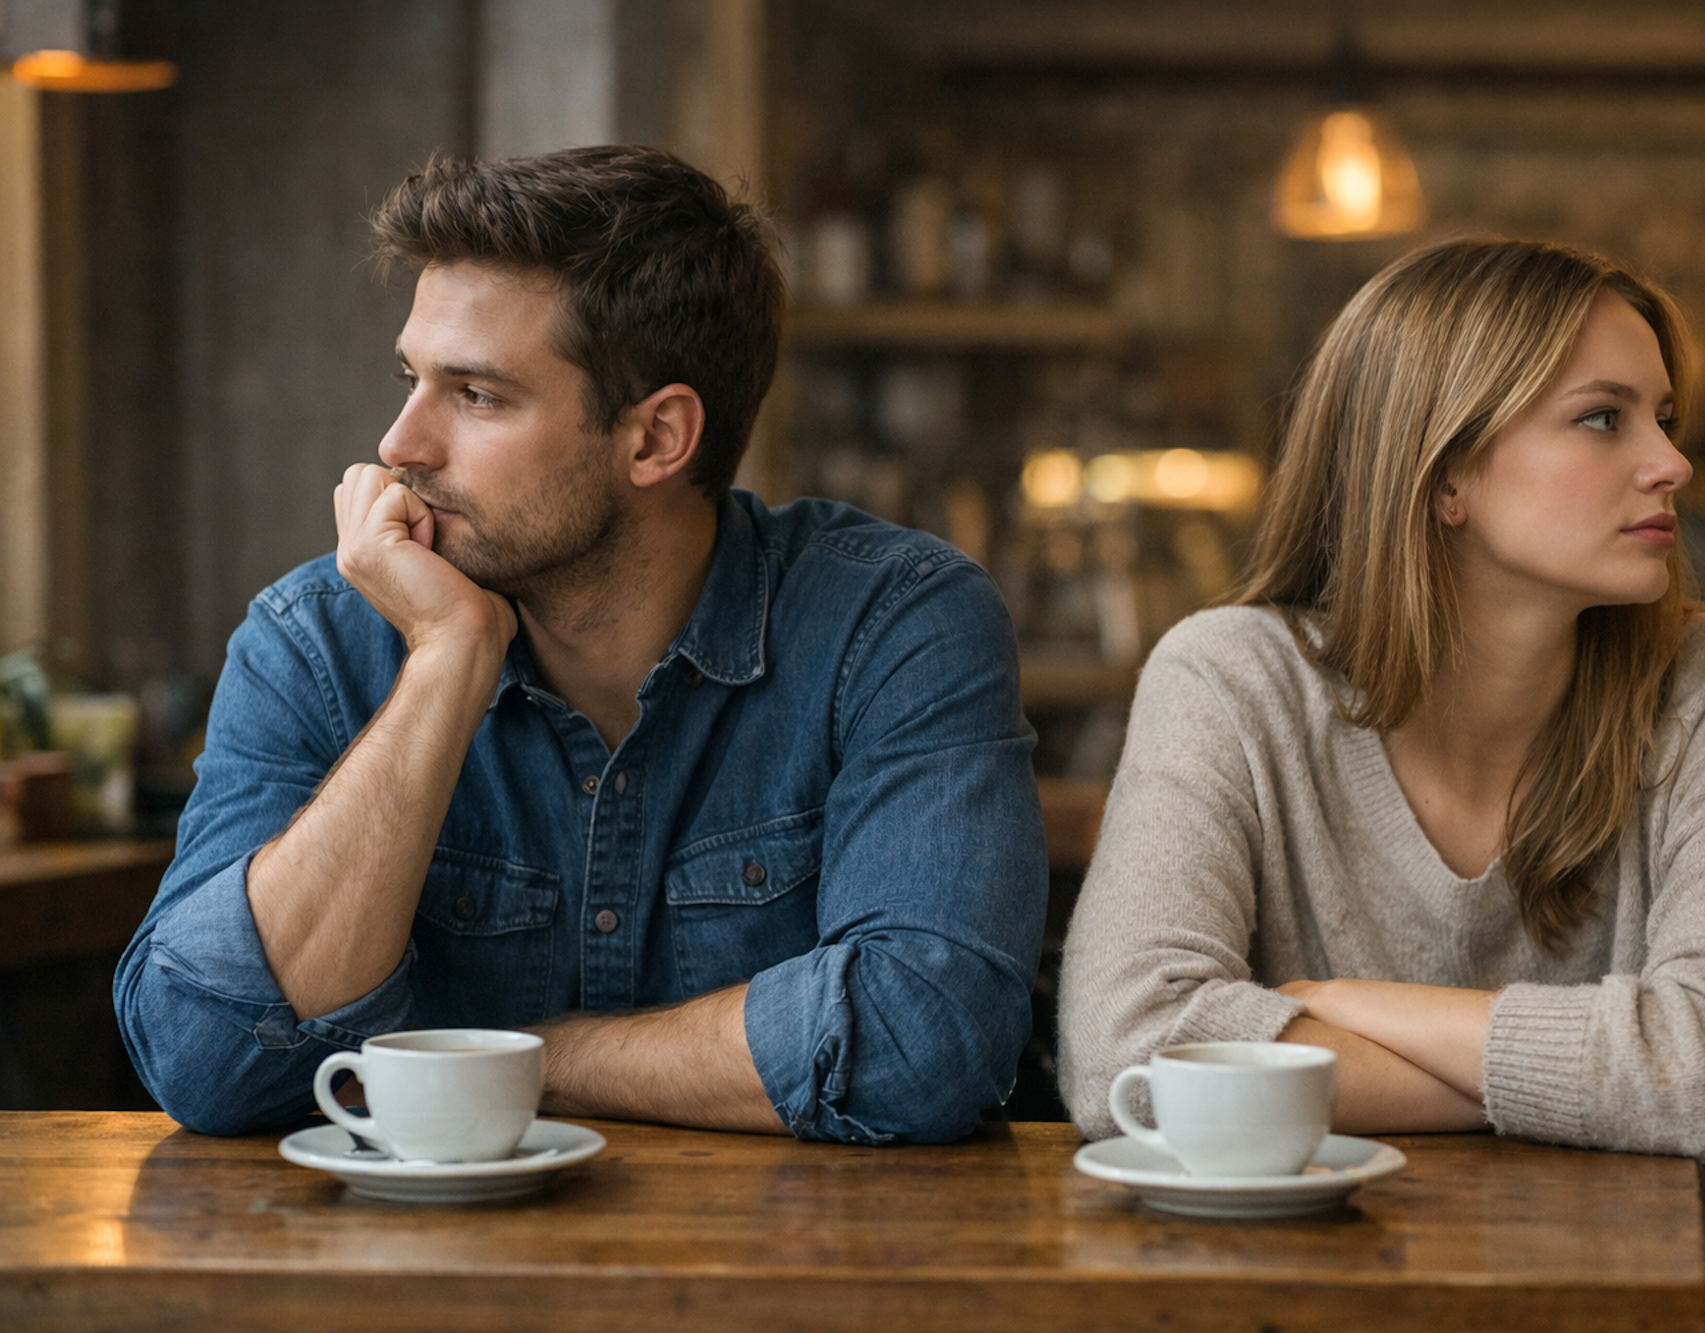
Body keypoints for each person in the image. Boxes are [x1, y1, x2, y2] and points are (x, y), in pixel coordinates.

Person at [1058, 238, 1705, 1332]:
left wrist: (1335, 1010)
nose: (1669, 461)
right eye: (1601, 417)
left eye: (1661, 416)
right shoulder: (1228, 680)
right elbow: (1126, 1051)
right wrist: (1615, 1084)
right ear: (1443, 476)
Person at [115, 145, 1047, 1146]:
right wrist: (444, 663)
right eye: (410, 377)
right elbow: (204, 1060)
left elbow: (923, 1035)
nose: (399, 444)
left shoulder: (892, 623)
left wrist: (509, 1062)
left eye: (476, 394)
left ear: (654, 439)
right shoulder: (317, 641)